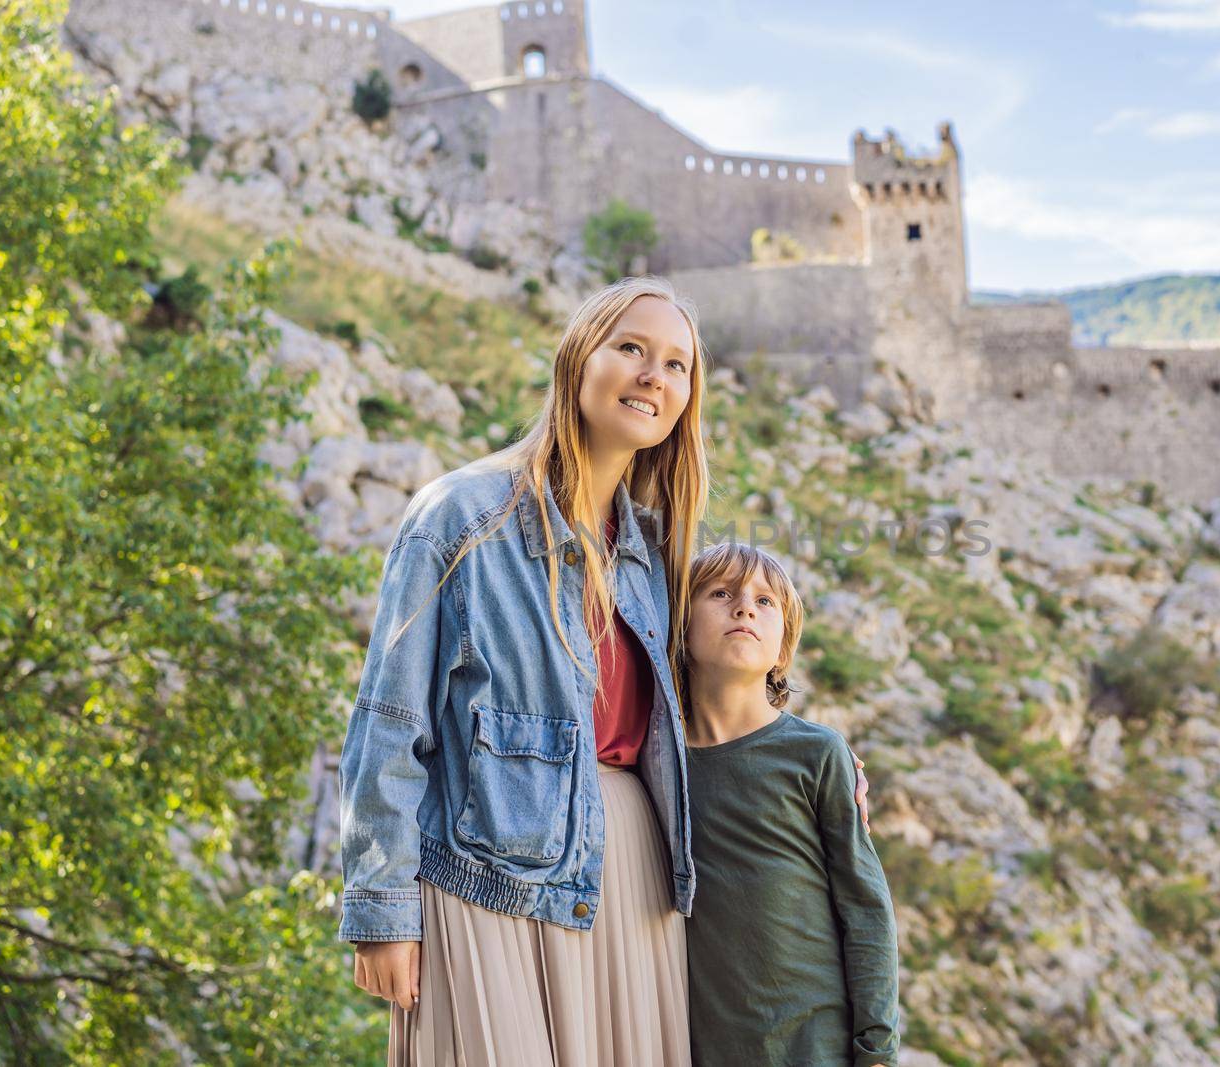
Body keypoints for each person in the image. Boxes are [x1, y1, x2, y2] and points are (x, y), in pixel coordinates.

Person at [336, 276, 870, 1066]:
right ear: (579, 360)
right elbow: (390, 720)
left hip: (635, 882)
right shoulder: (460, 519)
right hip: (485, 876)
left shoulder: (655, 554)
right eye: (631, 348)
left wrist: (806, 752)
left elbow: (708, 696)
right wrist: (382, 910)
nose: (654, 374)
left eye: (677, 364)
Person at [681, 542, 900, 1067]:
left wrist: (876, 1051)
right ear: (679, 629)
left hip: (815, 1047)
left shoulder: (817, 754)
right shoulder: (653, 758)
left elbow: (866, 909)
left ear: (783, 649)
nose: (744, 608)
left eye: (764, 602)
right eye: (721, 593)